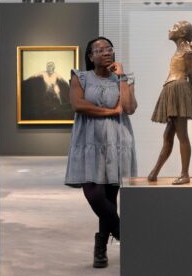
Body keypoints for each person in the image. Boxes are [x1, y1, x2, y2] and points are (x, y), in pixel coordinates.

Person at [65, 37, 137, 268]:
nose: (106, 53)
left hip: (117, 141)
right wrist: (108, 112)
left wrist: (123, 77)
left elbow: (129, 108)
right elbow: (78, 105)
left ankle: (101, 248)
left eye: (109, 49)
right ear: (90, 56)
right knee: (94, 194)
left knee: (109, 197)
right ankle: (124, 232)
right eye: (100, 50)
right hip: (89, 140)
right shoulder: (81, 77)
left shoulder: (123, 78)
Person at [147, 21, 192, 185]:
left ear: (181, 33)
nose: (169, 29)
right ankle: (154, 172)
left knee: (182, 135)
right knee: (168, 135)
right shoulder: (180, 51)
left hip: (179, 92)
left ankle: (185, 174)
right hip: (173, 91)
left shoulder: (187, 52)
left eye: (174, 28)